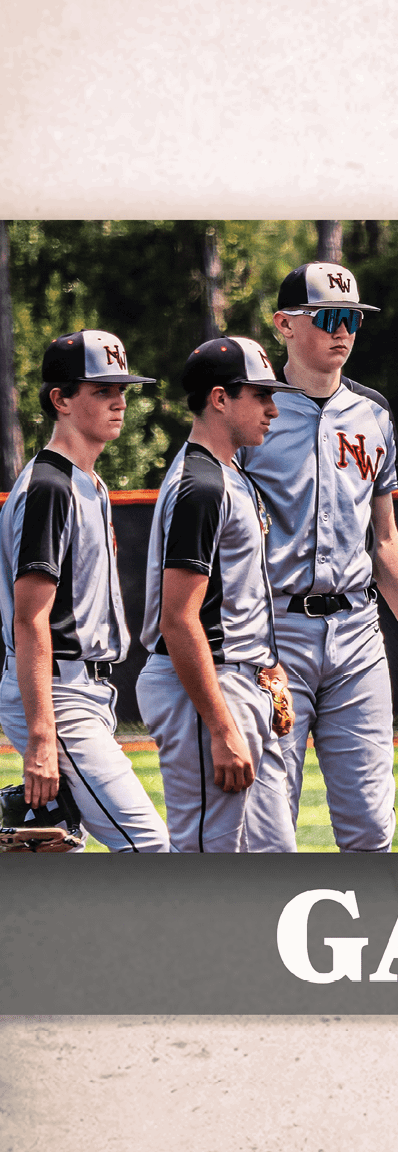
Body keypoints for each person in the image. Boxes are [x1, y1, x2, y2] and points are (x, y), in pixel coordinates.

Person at [236, 261, 398, 852]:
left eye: (353, 319)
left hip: (356, 631)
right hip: (274, 630)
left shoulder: (374, 413)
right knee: (269, 825)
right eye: (329, 317)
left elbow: (384, 542)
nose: (344, 331)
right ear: (284, 324)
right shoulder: (252, 412)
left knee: (369, 823)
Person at [0, 330, 170, 852]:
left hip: (85, 690)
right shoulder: (50, 487)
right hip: (59, 692)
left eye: (122, 388)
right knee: (150, 848)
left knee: (64, 851)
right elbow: (30, 619)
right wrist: (41, 737)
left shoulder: (87, 482)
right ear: (61, 400)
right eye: (101, 390)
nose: (119, 401)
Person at [137, 337, 299, 852]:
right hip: (206, 686)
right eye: (259, 395)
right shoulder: (201, 485)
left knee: (273, 852)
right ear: (220, 398)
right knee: (210, 854)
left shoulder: (230, 475)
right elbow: (179, 619)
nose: (273, 409)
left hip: (241, 677)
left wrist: (268, 671)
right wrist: (221, 725)